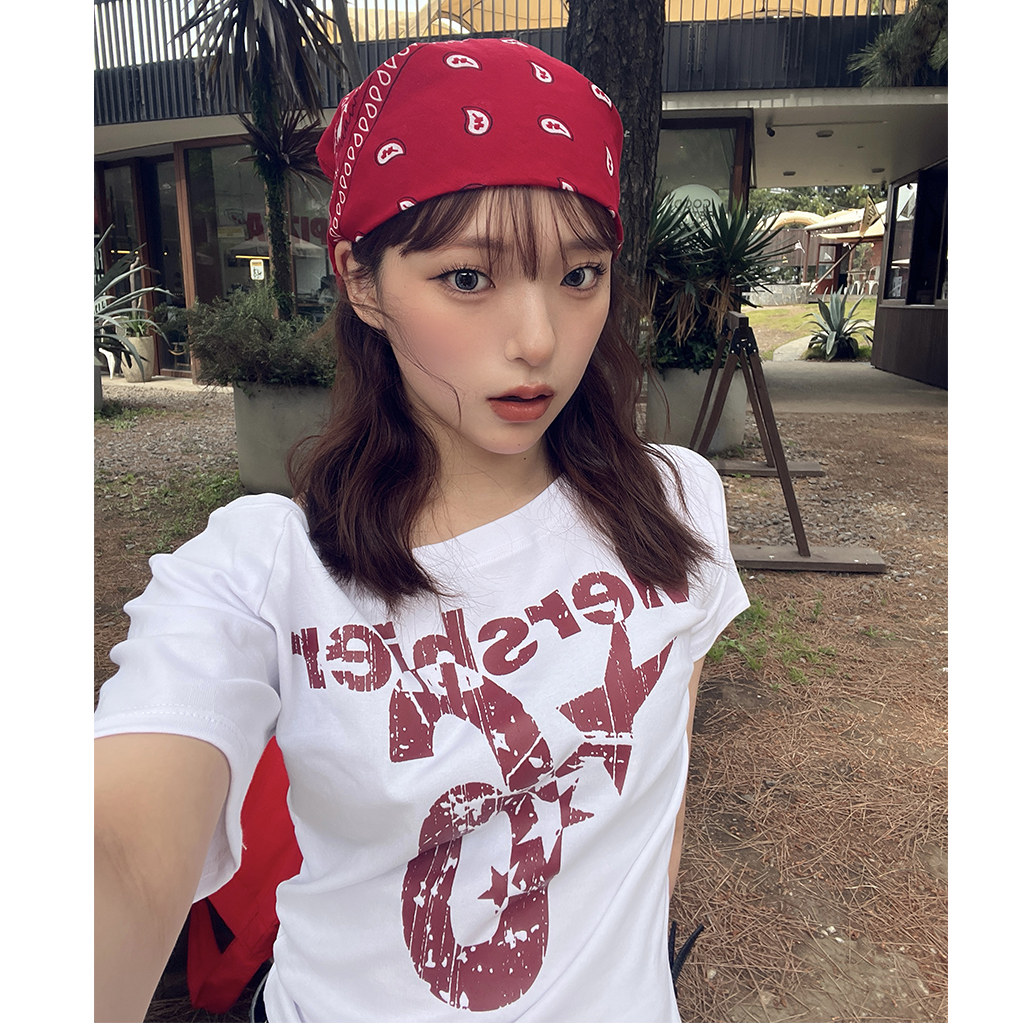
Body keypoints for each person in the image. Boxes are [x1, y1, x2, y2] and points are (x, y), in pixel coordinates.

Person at [94, 38, 748, 1024]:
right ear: (361, 281)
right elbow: (116, 849)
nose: (537, 338)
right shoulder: (266, 570)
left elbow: (657, 782)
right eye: (468, 279)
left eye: (579, 274)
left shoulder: (676, 501)